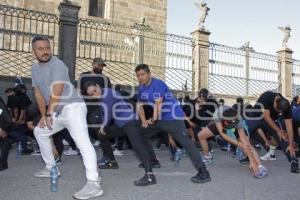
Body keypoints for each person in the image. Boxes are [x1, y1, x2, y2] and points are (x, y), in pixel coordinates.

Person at [30, 36, 103, 199]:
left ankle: (94, 183)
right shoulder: (34, 69)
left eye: (47, 47)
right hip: (56, 110)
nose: (45, 51)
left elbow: (57, 89)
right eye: (40, 49)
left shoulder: (58, 64)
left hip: (73, 107)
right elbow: (38, 92)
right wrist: (44, 115)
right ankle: (51, 168)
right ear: (34, 51)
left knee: (82, 142)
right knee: (40, 132)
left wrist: (49, 113)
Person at [135, 64, 211, 183]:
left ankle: (203, 172)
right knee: (139, 134)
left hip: (173, 117)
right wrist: (144, 121)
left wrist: (152, 120)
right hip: (160, 119)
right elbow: (139, 105)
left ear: (149, 74)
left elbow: (158, 105)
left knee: (186, 143)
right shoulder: (141, 88)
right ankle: (152, 161)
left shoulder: (158, 84)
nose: (140, 77)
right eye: (138, 76)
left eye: (142, 74)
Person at [83, 81, 155, 186]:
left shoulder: (108, 93)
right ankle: (112, 162)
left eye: (95, 90)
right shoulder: (102, 98)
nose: (95, 94)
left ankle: (150, 176)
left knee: (138, 146)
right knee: (102, 134)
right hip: (121, 125)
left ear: (98, 86)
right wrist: (103, 126)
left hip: (129, 122)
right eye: (92, 94)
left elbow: (108, 112)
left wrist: (103, 125)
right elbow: (104, 114)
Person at [197, 106, 267, 178]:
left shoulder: (238, 120)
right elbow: (223, 134)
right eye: (228, 124)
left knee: (246, 143)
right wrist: (238, 144)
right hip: (220, 124)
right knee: (201, 135)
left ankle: (260, 166)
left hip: (234, 123)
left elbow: (244, 142)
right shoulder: (218, 114)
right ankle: (207, 157)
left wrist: (251, 160)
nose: (230, 127)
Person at [254, 91, 299, 173]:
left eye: (280, 112)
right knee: (249, 133)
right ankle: (245, 155)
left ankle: (293, 161)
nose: (278, 112)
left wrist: (290, 144)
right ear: (274, 102)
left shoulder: (286, 105)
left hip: (271, 118)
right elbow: (266, 117)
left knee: (281, 137)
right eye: (276, 109)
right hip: (256, 117)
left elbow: (289, 126)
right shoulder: (266, 97)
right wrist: (279, 131)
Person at [0, 97, 12, 171]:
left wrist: (1, 129)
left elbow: (4, 116)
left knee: (4, 141)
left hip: (3, 125)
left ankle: (3, 163)